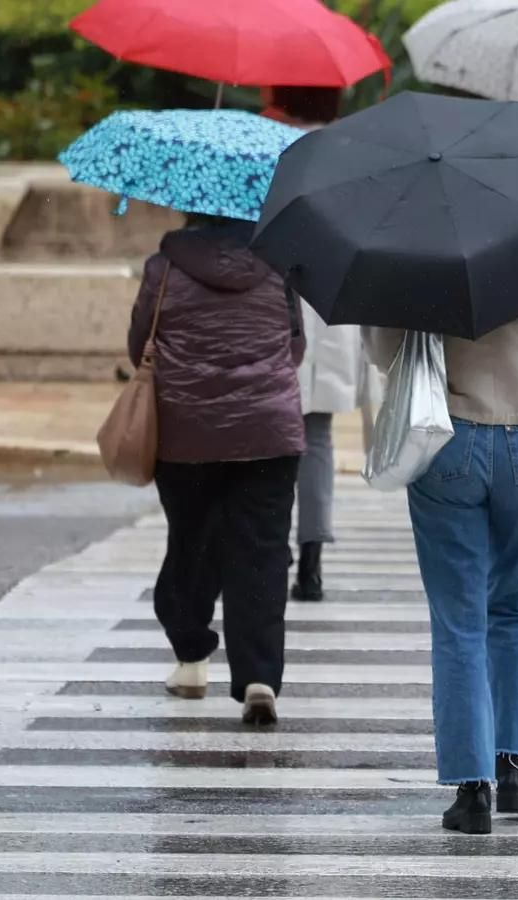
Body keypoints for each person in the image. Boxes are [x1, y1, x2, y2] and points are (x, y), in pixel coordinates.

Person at [365, 301, 518, 835]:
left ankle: (471, 790)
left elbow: (384, 351)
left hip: (448, 436)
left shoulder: (416, 245)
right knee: (517, 607)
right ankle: (512, 770)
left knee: (459, 621)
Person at [133, 214, 305, 726]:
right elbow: (295, 348)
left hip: (186, 432)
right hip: (269, 434)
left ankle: (190, 659)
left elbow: (140, 341)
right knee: (263, 550)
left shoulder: (163, 268)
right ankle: (258, 675)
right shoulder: (280, 267)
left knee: (191, 540)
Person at [263, 85, 377, 602]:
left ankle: (272, 548)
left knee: (269, 444)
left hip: (274, 309)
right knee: (318, 442)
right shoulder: (354, 159)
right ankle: (311, 561)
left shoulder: (268, 151)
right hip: (333, 311)